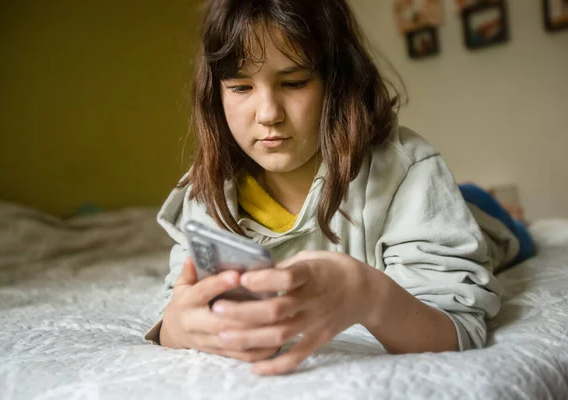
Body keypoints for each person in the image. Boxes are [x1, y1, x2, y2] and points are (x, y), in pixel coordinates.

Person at [144, 0, 536, 376]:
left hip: (467, 218)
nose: (267, 114)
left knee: (501, 232)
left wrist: (366, 293)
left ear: (337, 81)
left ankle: (494, 210)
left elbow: (458, 329)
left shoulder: (406, 171)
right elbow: (177, 307)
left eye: (294, 82)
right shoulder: (208, 193)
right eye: (241, 88)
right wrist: (176, 328)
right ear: (216, 93)